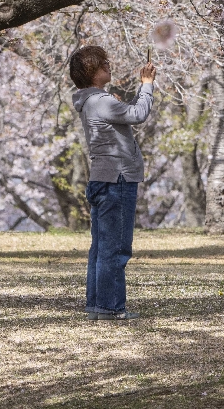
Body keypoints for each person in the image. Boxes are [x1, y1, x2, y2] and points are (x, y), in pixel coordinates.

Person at [68, 45, 156, 321]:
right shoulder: (101, 102)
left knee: (101, 247)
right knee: (115, 247)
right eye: (103, 63)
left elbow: (120, 117)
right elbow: (138, 114)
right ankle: (109, 307)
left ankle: (98, 305)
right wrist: (147, 85)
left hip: (102, 177)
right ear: (92, 71)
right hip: (117, 178)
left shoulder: (93, 101)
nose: (109, 65)